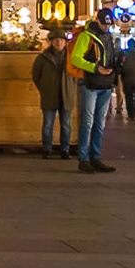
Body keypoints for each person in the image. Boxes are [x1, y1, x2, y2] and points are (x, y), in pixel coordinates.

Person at [67, 10, 118, 173]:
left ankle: (95, 157)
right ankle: (84, 159)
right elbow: (76, 58)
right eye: (104, 24)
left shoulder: (108, 36)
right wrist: (95, 68)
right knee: (87, 122)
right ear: (98, 21)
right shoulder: (86, 36)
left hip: (106, 84)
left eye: (109, 25)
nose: (106, 27)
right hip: (89, 84)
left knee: (99, 123)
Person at [29, 31, 73, 159]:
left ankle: (65, 150)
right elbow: (36, 75)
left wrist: (70, 87)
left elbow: (76, 76)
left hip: (66, 95)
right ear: (51, 42)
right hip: (49, 95)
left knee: (66, 124)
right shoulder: (43, 58)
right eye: (56, 40)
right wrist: (44, 88)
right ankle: (47, 149)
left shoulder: (71, 57)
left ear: (65, 42)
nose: (59, 43)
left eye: (62, 40)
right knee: (48, 124)